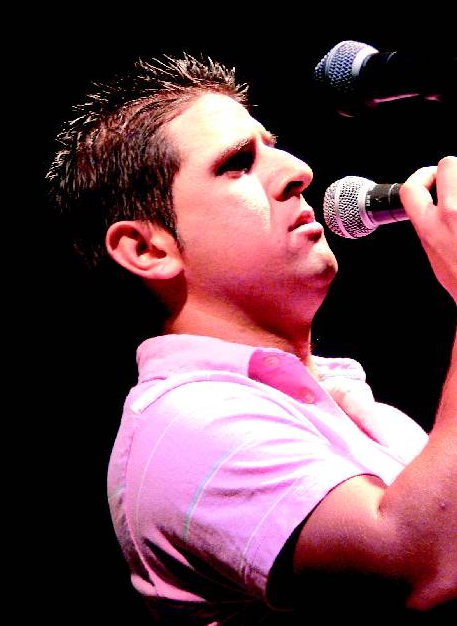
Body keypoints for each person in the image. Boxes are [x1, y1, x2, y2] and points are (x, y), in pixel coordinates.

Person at [47, 54, 456, 623]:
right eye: (238, 163)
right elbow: (424, 568)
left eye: (274, 146)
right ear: (148, 249)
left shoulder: (356, 408)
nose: (299, 170)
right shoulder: (185, 425)